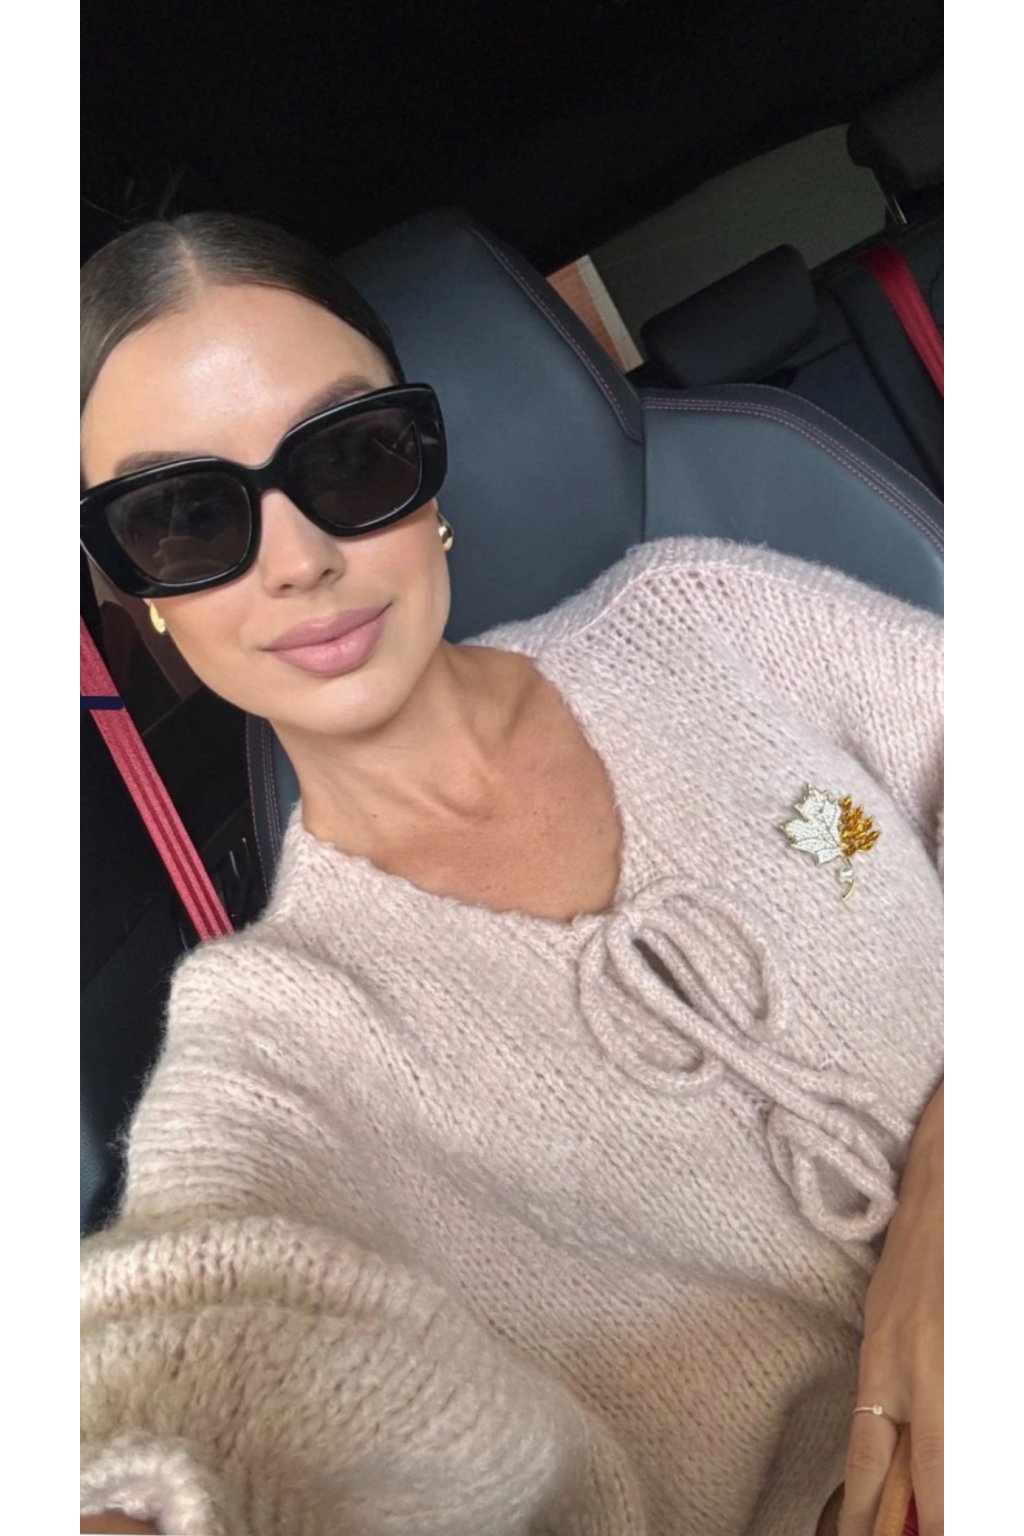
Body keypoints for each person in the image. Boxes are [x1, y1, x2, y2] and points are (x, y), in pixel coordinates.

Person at [79, 214, 943, 1536]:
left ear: (427, 477)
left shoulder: (712, 620)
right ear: (138, 590)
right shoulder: (273, 1046)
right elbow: (187, 1363)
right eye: (188, 517)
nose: (300, 559)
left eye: (350, 456)